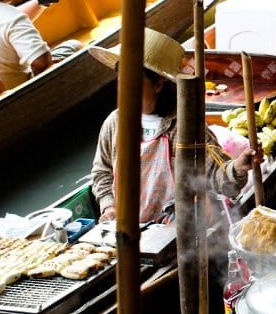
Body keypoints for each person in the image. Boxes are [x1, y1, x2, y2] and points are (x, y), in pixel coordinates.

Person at [90, 28, 262, 223]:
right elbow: (102, 172)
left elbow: (220, 179)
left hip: (175, 230)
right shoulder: (114, 123)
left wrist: (238, 167)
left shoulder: (185, 128)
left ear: (158, 84)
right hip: (124, 228)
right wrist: (109, 207)